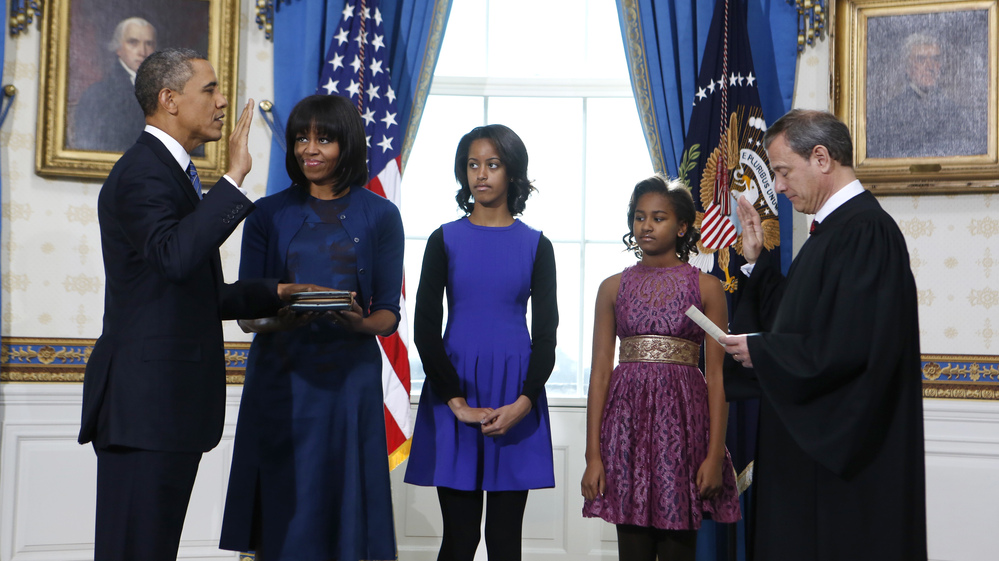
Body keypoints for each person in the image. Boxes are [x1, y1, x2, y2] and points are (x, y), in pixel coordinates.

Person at [78, 48, 320, 561]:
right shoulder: (145, 172)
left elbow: (186, 293)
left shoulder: (171, 172)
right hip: (146, 408)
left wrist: (273, 292)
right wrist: (233, 180)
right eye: (209, 89)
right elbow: (176, 258)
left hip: (162, 408)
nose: (222, 100)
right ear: (169, 100)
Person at [720, 109, 926, 560]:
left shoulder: (865, 231)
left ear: (820, 157)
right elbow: (799, 324)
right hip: (809, 461)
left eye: (781, 171)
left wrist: (763, 351)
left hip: (839, 471)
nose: (776, 186)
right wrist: (756, 262)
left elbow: (849, 346)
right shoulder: (835, 232)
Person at [218, 94, 403, 561]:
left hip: (349, 379)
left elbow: (387, 314)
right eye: (302, 137)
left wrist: (360, 324)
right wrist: (284, 313)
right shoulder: (265, 213)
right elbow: (246, 312)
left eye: (324, 138)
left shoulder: (381, 215)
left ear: (348, 144)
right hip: (280, 377)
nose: (310, 149)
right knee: (285, 504)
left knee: (344, 500)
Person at [404, 124, 558, 561]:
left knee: (505, 542)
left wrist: (524, 402)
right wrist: (456, 403)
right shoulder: (444, 239)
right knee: (459, 539)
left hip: (516, 394)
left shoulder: (536, 245)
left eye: (492, 164)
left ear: (512, 173)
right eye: (472, 165)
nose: (481, 174)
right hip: (455, 392)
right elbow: (425, 330)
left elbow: (546, 336)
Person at [581, 176, 741, 560]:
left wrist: (715, 454)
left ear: (682, 226)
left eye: (658, 218)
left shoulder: (707, 288)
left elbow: (718, 377)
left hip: (683, 434)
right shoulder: (612, 288)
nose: (646, 226)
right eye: (639, 218)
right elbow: (601, 371)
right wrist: (593, 455)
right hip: (626, 431)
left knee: (677, 551)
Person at [866, 32, 986, 158]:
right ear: (907, 67)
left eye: (935, 59)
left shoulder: (956, 112)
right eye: (921, 59)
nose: (930, 67)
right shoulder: (887, 115)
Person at [72, 17, 157, 152]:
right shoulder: (97, 94)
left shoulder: (167, 91)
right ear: (118, 48)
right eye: (133, 42)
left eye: (149, 44)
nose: (142, 52)